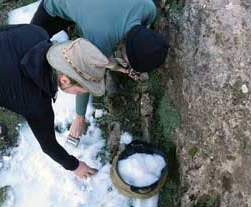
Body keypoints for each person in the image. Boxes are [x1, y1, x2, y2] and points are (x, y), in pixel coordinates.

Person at [0, 24, 110, 207]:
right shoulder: (35, 103)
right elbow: (49, 146)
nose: (81, 93)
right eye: (81, 89)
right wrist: (75, 165)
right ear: (64, 80)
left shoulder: (36, 33)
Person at [31, 0, 169, 140]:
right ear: (125, 52)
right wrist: (79, 117)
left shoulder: (149, 8)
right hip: (56, 4)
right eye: (129, 62)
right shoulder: (100, 39)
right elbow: (82, 77)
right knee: (29, 44)